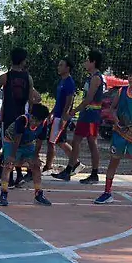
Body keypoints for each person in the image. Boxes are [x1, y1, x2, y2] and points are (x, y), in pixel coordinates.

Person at [94, 65, 132, 211]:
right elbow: (112, 109)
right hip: (120, 133)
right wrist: (116, 121)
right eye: (129, 75)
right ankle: (107, 193)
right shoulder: (121, 91)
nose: (130, 78)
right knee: (113, 162)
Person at [54, 50, 104, 184]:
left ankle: (94, 173)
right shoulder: (90, 77)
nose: (85, 63)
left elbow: (89, 99)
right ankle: (69, 170)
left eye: (87, 60)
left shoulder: (96, 78)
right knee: (77, 141)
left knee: (91, 143)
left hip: (91, 115)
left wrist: (74, 111)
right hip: (86, 115)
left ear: (93, 62)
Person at [0, 48, 38, 180]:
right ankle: (19, 174)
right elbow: (31, 100)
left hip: (8, 116)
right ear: (23, 61)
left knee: (8, 145)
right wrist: (30, 117)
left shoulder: (4, 77)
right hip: (22, 116)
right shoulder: (28, 78)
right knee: (19, 144)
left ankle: (9, 176)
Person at [0, 103, 53, 207]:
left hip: (28, 143)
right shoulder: (22, 120)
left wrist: (35, 157)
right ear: (31, 115)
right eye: (33, 119)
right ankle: (3, 194)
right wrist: (12, 156)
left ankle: (38, 194)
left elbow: (39, 141)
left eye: (38, 121)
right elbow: (17, 139)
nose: (35, 123)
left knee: (36, 166)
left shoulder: (44, 124)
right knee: (8, 165)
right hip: (12, 141)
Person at [41, 58, 77, 177]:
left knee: (56, 141)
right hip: (57, 115)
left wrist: (64, 116)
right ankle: (74, 163)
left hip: (61, 116)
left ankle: (49, 166)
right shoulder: (62, 81)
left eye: (61, 65)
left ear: (67, 68)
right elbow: (59, 101)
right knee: (57, 141)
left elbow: (69, 100)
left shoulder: (69, 82)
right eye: (59, 65)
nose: (58, 67)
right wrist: (52, 112)